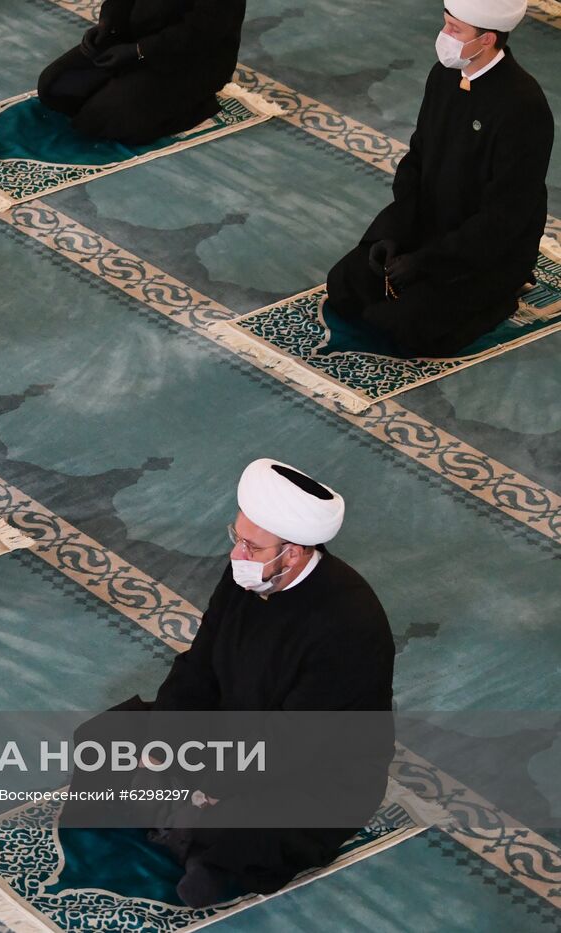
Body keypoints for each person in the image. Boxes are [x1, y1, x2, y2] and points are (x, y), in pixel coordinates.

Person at [60, 459, 395, 908]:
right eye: (237, 538)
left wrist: (210, 782)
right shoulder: (248, 573)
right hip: (228, 732)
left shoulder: (347, 623)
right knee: (102, 739)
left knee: (241, 832)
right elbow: (199, 665)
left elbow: (296, 744)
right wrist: (164, 745)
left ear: (292, 553)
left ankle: (190, 833)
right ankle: (179, 823)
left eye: (251, 546)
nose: (238, 554)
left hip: (313, 770)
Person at [325, 0, 552, 357]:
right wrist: (392, 232)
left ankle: (501, 298)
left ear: (488, 39)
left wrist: (425, 261)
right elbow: (417, 159)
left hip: (484, 251)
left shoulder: (523, 106)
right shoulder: (443, 75)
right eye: (445, 24)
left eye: (454, 30)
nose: (444, 36)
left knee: (405, 325)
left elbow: (503, 218)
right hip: (430, 226)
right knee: (344, 285)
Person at [36, 0, 246, 143]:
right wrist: (107, 25)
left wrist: (140, 51)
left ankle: (198, 105)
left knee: (104, 118)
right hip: (134, 41)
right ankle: (124, 87)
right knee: (54, 86)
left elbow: (203, 31)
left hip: (192, 60)